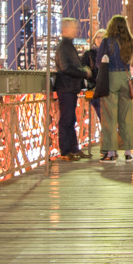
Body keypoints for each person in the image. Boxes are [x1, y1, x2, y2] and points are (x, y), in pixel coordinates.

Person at [98, 15, 133, 163]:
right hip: (126, 79)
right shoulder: (130, 41)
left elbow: (98, 62)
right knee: (126, 117)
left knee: (110, 117)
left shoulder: (107, 41)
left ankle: (110, 153)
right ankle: (128, 153)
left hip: (111, 78)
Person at [54, 18, 91, 162]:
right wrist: (84, 73)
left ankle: (74, 149)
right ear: (65, 29)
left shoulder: (68, 46)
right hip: (66, 88)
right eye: (74, 27)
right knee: (66, 120)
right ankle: (65, 151)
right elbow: (65, 68)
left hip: (70, 88)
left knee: (71, 119)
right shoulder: (63, 47)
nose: (77, 30)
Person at [81, 28, 106, 126]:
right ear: (94, 39)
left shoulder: (111, 55)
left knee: (110, 118)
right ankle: (107, 139)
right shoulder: (88, 54)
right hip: (94, 91)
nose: (100, 39)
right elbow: (81, 69)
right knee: (103, 117)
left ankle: (111, 138)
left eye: (103, 38)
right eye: (98, 37)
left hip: (110, 91)